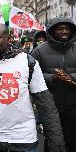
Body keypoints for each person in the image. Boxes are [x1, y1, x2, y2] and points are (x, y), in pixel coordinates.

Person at [0, 24, 66, 152]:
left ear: (9, 38)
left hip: (23, 139)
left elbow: (45, 104)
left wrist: (56, 144)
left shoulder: (28, 62)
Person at [31, 17, 76, 152]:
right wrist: (53, 78)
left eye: (67, 28)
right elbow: (31, 76)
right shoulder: (39, 51)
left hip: (74, 106)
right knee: (54, 143)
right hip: (50, 106)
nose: (64, 31)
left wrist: (71, 77)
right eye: (60, 29)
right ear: (52, 31)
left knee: (73, 141)